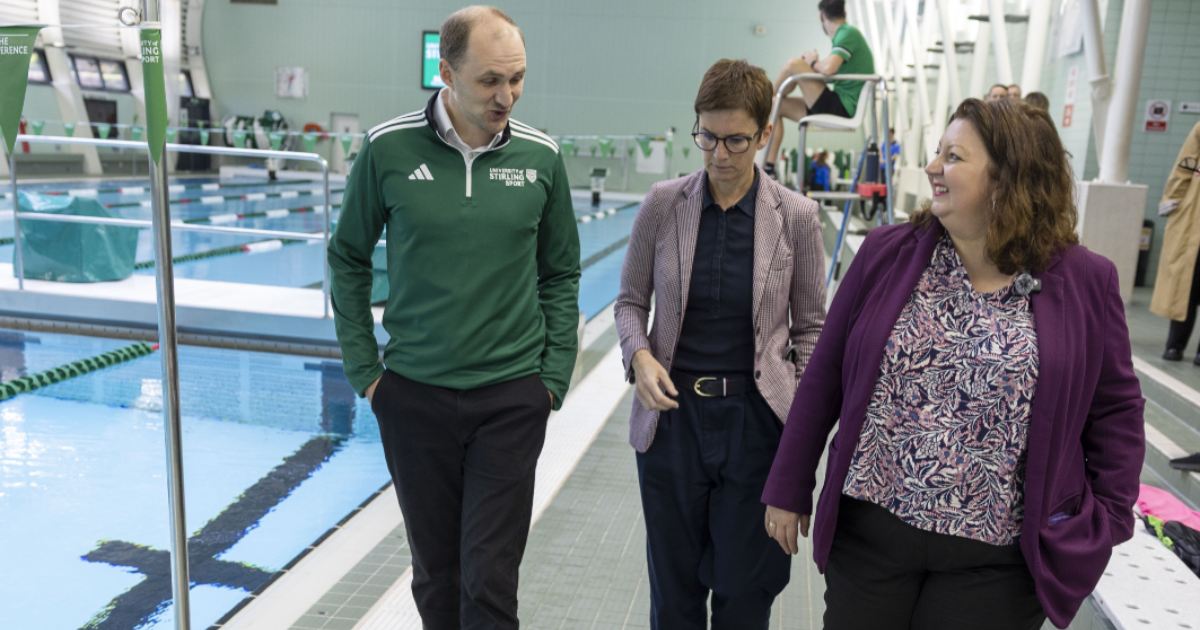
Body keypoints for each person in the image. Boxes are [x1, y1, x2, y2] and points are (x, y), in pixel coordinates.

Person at [762, 99, 1145, 630]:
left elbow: (1117, 411)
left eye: (954, 156)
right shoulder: (886, 255)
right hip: (872, 537)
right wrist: (788, 484)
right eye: (937, 152)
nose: (933, 167)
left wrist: (1109, 516)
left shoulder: (1083, 280)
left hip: (997, 561)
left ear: (1007, 178)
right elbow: (825, 374)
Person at [327, 6, 581, 629]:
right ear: (446, 72)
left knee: (490, 581)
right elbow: (347, 257)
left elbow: (562, 272)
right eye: (491, 80)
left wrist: (550, 379)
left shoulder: (542, 158)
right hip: (414, 397)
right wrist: (367, 371)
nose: (507, 95)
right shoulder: (388, 150)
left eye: (517, 79)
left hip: (510, 399)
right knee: (436, 577)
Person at [615, 58, 827, 630]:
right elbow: (630, 301)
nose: (719, 155)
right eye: (706, 136)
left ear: (765, 134)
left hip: (755, 425)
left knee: (743, 595)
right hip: (672, 423)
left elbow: (811, 329)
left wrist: (799, 426)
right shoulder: (664, 204)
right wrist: (639, 357)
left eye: (736, 140)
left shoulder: (798, 217)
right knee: (674, 595)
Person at [763, 0, 875, 177]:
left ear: (822, 16)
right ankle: (769, 168)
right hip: (834, 104)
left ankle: (762, 95)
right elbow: (829, 71)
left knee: (794, 64)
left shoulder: (847, 33)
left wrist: (812, 61)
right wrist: (812, 64)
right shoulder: (846, 35)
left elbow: (829, 69)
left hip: (841, 108)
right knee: (774, 105)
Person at [1151, 122, 1200, 362]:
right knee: (1187, 285)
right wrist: (1172, 200)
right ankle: (1175, 344)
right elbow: (1184, 166)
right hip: (1194, 216)